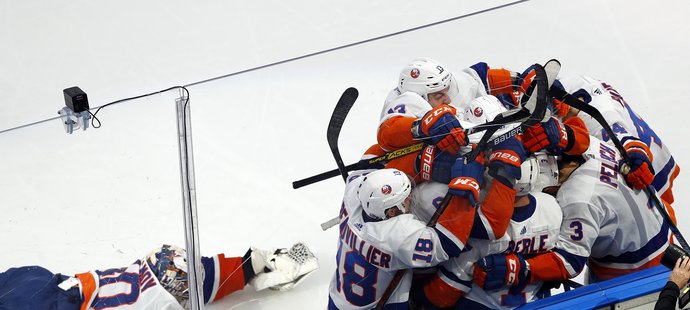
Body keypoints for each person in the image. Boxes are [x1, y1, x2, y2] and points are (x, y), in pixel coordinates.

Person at [473, 137, 673, 291]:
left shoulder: (577, 199)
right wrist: (638, 152)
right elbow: (630, 141)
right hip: (664, 228)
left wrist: (521, 268)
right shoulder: (590, 147)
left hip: (636, 271)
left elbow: (569, 262)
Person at [412, 153, 563, 309]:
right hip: (538, 302)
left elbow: (446, 291)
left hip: (481, 304)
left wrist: (419, 298)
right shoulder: (552, 206)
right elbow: (565, 261)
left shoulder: (479, 228)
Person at [327, 165, 485, 309]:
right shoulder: (397, 235)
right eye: (406, 196)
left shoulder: (353, 194)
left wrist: (420, 161)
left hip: (337, 300)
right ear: (392, 212)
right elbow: (449, 244)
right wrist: (467, 188)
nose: (411, 197)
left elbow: (371, 162)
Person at [0, 242, 318, 309]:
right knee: (176, 273)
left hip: (147, 280)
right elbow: (34, 277)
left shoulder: (18, 292)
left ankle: (262, 269)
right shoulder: (17, 287)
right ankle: (264, 268)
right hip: (150, 286)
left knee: (176, 270)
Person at [555, 75, 680, 208]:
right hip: (651, 146)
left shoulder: (593, 115)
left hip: (651, 169)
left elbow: (624, 141)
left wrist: (635, 156)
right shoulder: (573, 83)